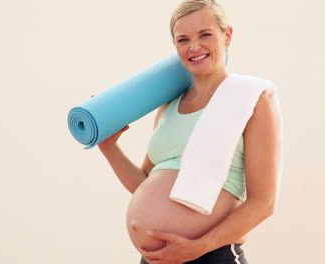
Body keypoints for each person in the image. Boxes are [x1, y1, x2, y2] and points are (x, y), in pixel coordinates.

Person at [97, 0, 282, 263]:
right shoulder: (169, 105)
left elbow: (263, 203)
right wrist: (109, 148)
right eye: (183, 40)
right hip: (154, 259)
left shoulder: (249, 99)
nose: (194, 47)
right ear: (175, 46)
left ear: (227, 35)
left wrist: (200, 247)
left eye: (205, 35)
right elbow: (145, 183)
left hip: (211, 255)